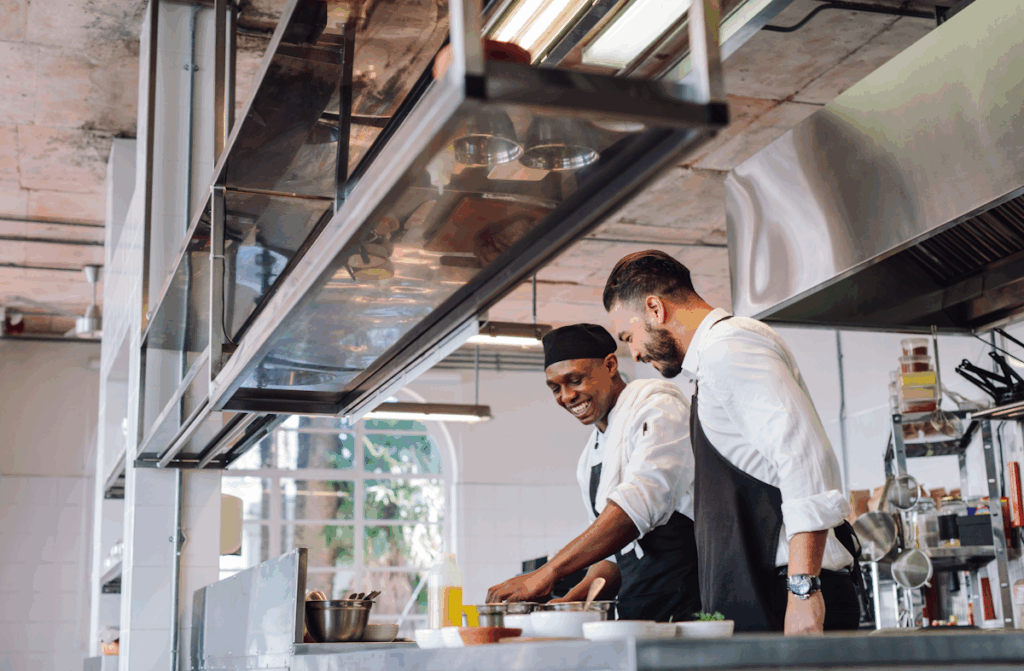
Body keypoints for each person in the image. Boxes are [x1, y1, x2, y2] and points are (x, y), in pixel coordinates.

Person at [603, 250, 861, 635]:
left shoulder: (730, 347)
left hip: (786, 597)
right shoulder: (712, 363)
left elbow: (805, 459)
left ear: (655, 309)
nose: (635, 353)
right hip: (761, 596)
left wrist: (803, 592)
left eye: (629, 336)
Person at [485, 324, 701, 622]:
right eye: (555, 388)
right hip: (635, 611)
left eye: (575, 380)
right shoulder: (591, 456)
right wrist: (572, 602)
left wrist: (548, 571)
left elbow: (637, 507)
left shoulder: (660, 409)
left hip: (688, 606)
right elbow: (611, 557)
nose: (567, 396)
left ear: (610, 365)